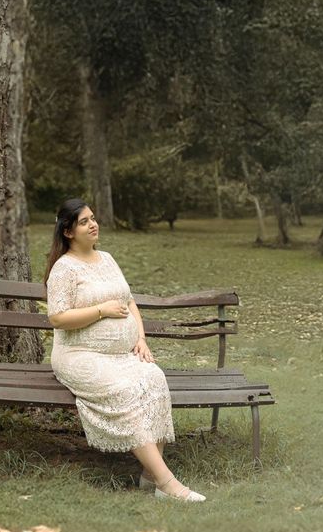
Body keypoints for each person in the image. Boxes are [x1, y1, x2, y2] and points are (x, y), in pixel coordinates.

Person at [45, 196, 207, 501]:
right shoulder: (64, 269)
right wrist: (101, 311)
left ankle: (149, 477)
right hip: (78, 356)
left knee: (154, 379)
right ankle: (168, 484)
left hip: (121, 355)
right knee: (123, 391)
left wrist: (140, 338)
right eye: (84, 222)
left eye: (93, 219)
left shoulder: (106, 259)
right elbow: (57, 317)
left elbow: (129, 301)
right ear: (68, 232)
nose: (93, 225)